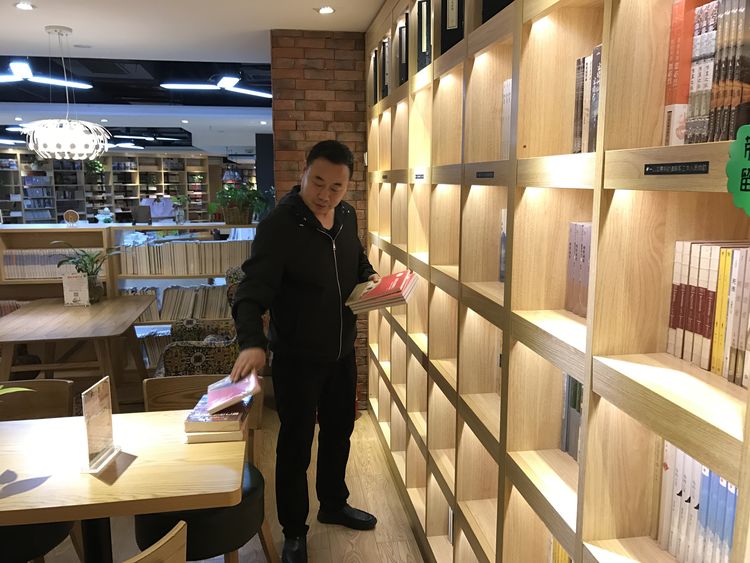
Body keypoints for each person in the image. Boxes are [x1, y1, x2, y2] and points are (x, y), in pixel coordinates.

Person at [231, 140, 380, 563]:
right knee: (296, 445)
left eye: (336, 187)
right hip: (297, 358)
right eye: (318, 182)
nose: (325, 195)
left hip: (341, 353)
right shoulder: (279, 226)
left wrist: (373, 279)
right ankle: (294, 531)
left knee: (339, 432)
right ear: (304, 172)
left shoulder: (347, 216)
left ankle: (333, 503)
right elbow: (249, 294)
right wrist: (252, 343)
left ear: (347, 187)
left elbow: (357, 262)